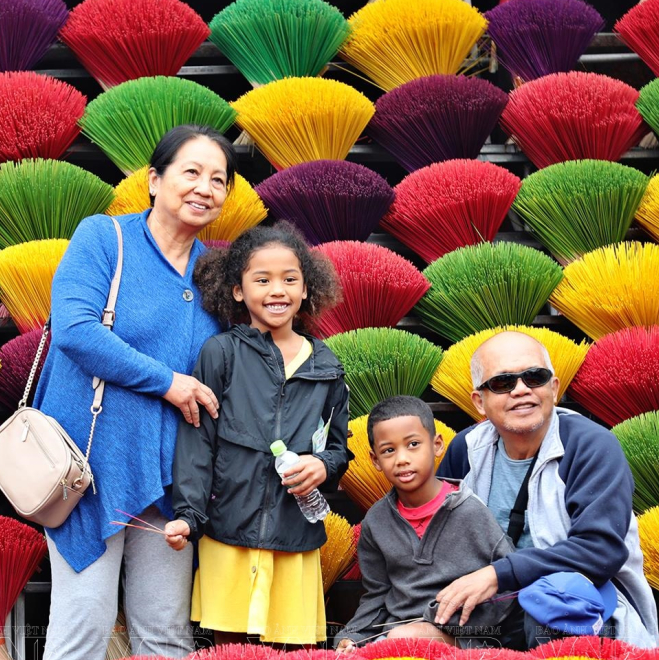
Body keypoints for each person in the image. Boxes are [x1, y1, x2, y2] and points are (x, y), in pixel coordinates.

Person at [36, 125, 235, 660]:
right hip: (91, 468)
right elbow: (76, 330)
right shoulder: (106, 238)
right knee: (84, 625)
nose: (204, 188)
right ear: (154, 179)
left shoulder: (218, 272)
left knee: (164, 634)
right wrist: (169, 382)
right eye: (191, 172)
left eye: (219, 179)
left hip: (172, 478)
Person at [164, 223, 351, 647]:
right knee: (233, 650)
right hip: (228, 537)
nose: (277, 290)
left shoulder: (328, 366)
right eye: (261, 280)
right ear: (237, 290)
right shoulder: (221, 354)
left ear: (307, 289)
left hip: (295, 540)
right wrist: (189, 517)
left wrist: (322, 466)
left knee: (293, 648)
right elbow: (198, 443)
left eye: (289, 279)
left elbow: (338, 448)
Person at [432, 331, 659, 650]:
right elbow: (437, 540)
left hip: (585, 611)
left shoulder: (591, 446)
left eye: (534, 377)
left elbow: (600, 550)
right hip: (489, 615)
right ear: (479, 402)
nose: (521, 390)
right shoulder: (466, 451)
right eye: (502, 383)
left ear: (553, 388)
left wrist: (498, 574)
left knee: (553, 597)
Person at [334, 396, 514, 652]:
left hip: (464, 640)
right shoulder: (376, 521)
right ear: (375, 460)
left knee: (401, 639)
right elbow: (376, 596)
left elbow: (507, 588)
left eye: (414, 444)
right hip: (394, 634)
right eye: (389, 450)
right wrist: (351, 637)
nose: (402, 459)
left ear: (437, 445)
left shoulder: (471, 513)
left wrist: (442, 621)